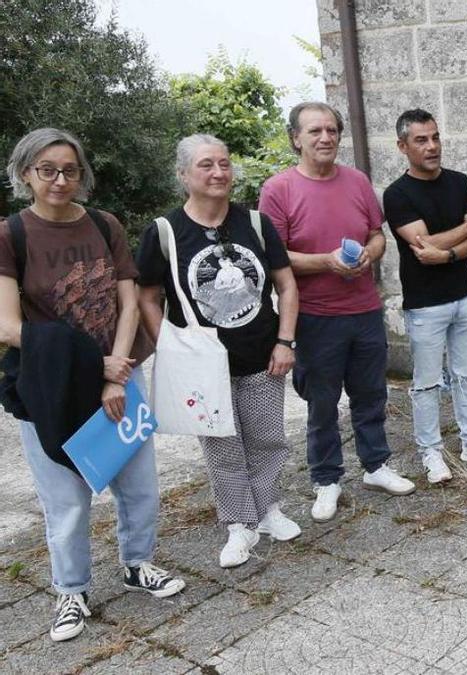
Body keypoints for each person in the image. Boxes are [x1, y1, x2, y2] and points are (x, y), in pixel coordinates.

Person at [0, 128, 184, 642]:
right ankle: (72, 590)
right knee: (66, 498)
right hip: (51, 385)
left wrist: (118, 368)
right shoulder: (11, 234)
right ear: (24, 174)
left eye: (70, 170)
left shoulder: (104, 225)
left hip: (121, 373)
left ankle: (138, 564)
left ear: (82, 175)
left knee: (139, 484)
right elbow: (8, 327)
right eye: (47, 170)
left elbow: (128, 303)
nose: (60, 180)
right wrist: (95, 367)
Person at [138, 134, 301, 568]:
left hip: (263, 353)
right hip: (203, 366)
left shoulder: (257, 224)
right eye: (206, 165)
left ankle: (267, 511)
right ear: (184, 175)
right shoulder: (165, 232)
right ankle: (238, 524)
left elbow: (286, 285)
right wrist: (172, 349)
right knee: (222, 446)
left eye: (224, 164)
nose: (218, 173)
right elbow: (147, 297)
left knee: (268, 439)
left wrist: (285, 341)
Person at [258, 102, 413, 524]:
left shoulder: (358, 181)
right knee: (322, 403)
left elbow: (376, 235)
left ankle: (376, 466)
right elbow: (275, 257)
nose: (325, 138)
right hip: (314, 316)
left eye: (331, 130)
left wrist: (369, 253)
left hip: (364, 308)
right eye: (315, 131)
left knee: (371, 395)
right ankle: (326, 479)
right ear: (296, 138)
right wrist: (326, 262)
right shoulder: (279, 189)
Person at [382, 109, 467, 482]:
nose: (432, 146)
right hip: (424, 304)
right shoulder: (397, 194)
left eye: (435, 137)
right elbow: (424, 243)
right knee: (425, 383)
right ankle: (431, 452)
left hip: (465, 295)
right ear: (402, 146)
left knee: (466, 375)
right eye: (421, 140)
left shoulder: (460, 182)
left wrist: (449, 253)